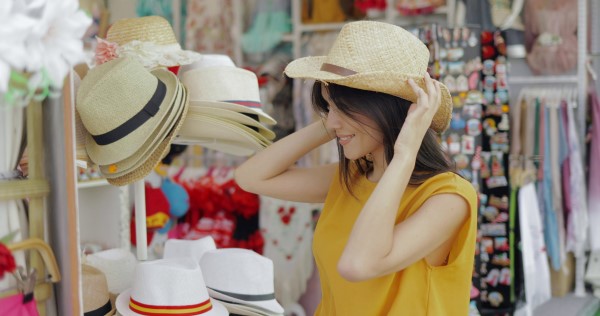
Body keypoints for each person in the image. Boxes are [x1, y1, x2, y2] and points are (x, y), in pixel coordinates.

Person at [235, 21, 478, 315]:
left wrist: (404, 154)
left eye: (344, 107)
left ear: (386, 109)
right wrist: (334, 119)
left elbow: (358, 264)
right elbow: (250, 177)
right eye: (328, 108)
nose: (331, 120)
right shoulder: (352, 177)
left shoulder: (448, 198)